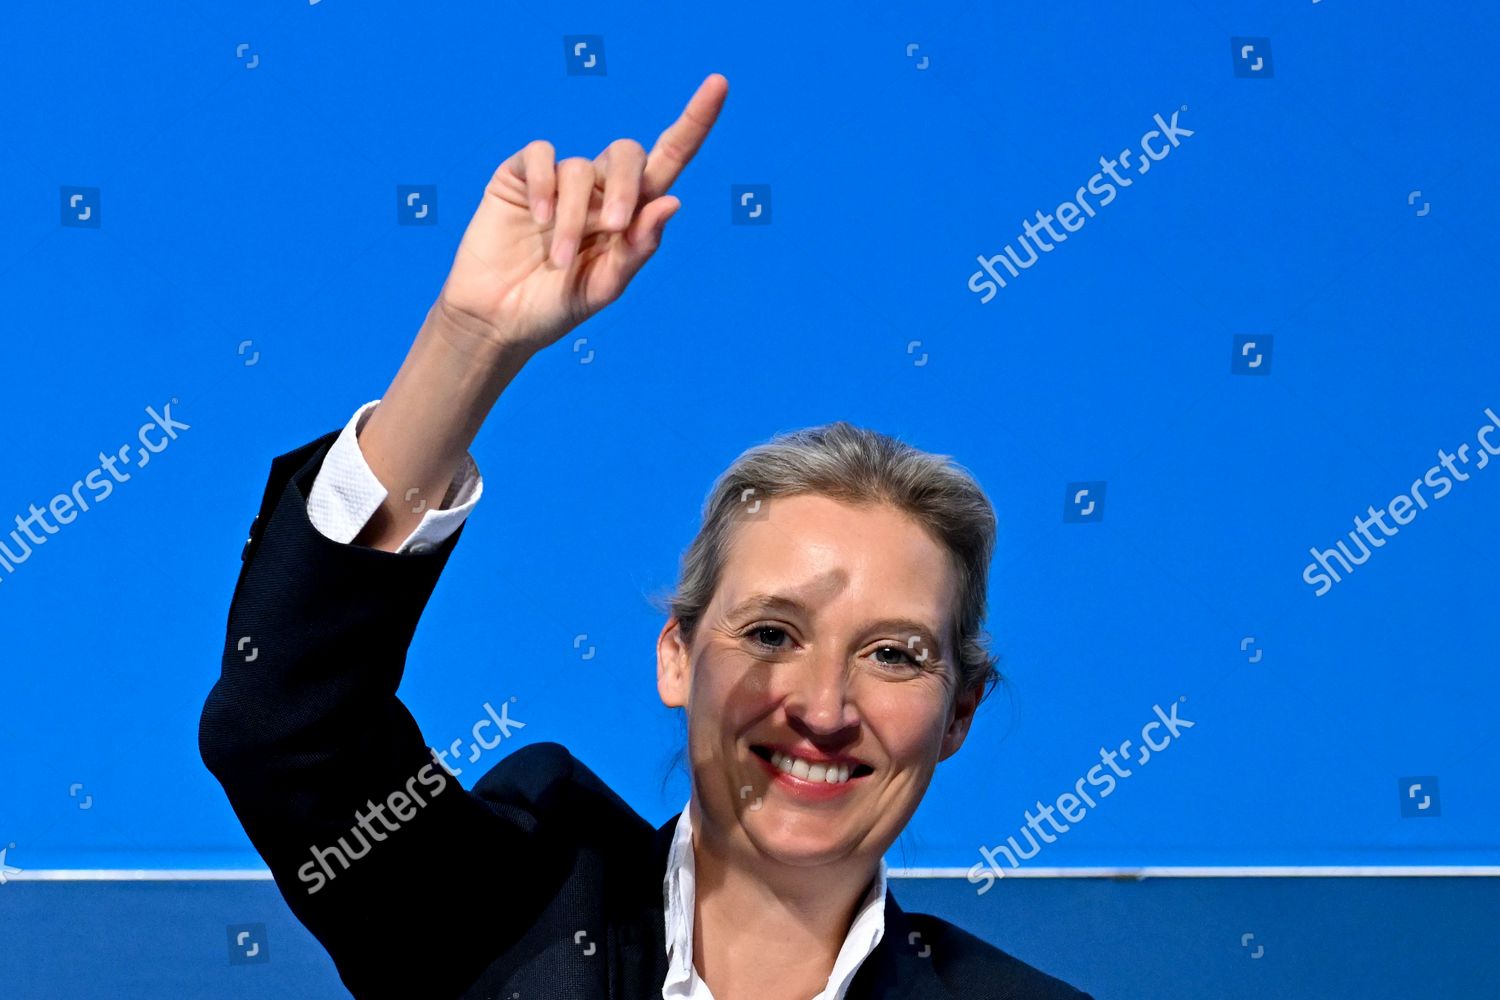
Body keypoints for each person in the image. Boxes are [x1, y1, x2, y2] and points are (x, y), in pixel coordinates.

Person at [199, 72, 1094, 1000]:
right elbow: (285, 726)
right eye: (772, 634)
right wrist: (471, 340)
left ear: (959, 714)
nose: (825, 709)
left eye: (896, 654)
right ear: (676, 656)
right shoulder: (504, 913)